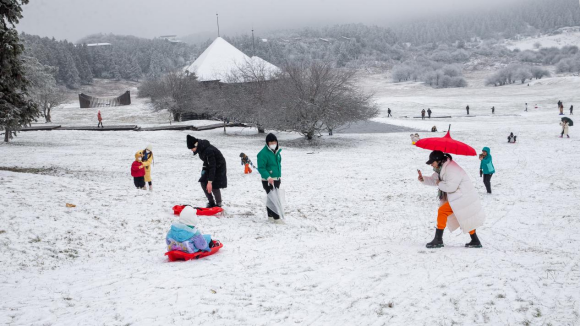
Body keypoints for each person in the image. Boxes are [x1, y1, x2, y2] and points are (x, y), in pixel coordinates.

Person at [418, 150, 485, 248]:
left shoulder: (451, 169)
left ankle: (438, 239)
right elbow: (434, 180)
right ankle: (475, 240)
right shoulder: (441, 168)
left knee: (443, 211)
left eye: (432, 162)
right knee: (462, 217)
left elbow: (450, 187)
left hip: (463, 197)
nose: (431, 165)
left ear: (439, 160)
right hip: (458, 196)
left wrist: (439, 183)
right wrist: (423, 179)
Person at [187, 135, 227, 208]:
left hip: (219, 167)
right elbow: (206, 161)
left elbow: (212, 166)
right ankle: (211, 202)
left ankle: (219, 204)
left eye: (191, 148)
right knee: (203, 182)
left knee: (214, 185)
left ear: (195, 145)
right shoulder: (201, 149)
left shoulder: (209, 151)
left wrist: (210, 182)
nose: (191, 150)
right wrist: (204, 170)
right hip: (211, 166)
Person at [257, 133, 283, 222]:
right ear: (267, 143)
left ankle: (270, 216)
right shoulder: (262, 154)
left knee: (271, 198)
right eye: (271, 142)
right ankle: (277, 218)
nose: (273, 144)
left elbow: (278, 164)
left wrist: (278, 177)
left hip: (276, 179)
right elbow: (261, 168)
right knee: (273, 198)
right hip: (268, 180)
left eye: (274, 142)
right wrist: (268, 177)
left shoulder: (277, 151)